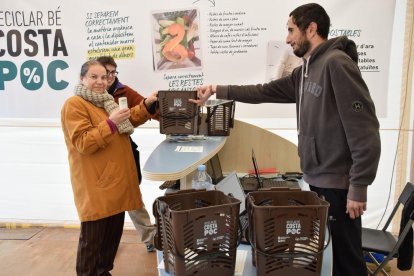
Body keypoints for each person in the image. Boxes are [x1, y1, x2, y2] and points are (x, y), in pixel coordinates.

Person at [191, 3, 381, 276]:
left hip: (339, 187)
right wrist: (217, 89)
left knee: (347, 262)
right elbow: (263, 91)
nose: (287, 38)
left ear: (311, 28)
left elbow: (365, 130)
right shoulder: (303, 70)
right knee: (328, 260)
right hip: (316, 180)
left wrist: (359, 187)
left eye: (291, 30)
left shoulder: (337, 64)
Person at [61, 60, 158, 275]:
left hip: (116, 184)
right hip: (97, 188)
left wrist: (147, 105)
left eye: (104, 77)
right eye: (94, 77)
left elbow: (127, 118)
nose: (100, 81)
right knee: (91, 247)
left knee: (108, 248)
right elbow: (84, 143)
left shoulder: (106, 102)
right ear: (82, 79)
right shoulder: (74, 104)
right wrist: (111, 123)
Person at [96, 56, 157, 253]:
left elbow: (145, 109)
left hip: (124, 150)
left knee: (131, 195)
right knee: (105, 200)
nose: (111, 77)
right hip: (101, 154)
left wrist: (174, 121)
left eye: (114, 72)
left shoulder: (123, 91)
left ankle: (150, 237)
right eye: (107, 73)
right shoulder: (86, 98)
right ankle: (102, 243)